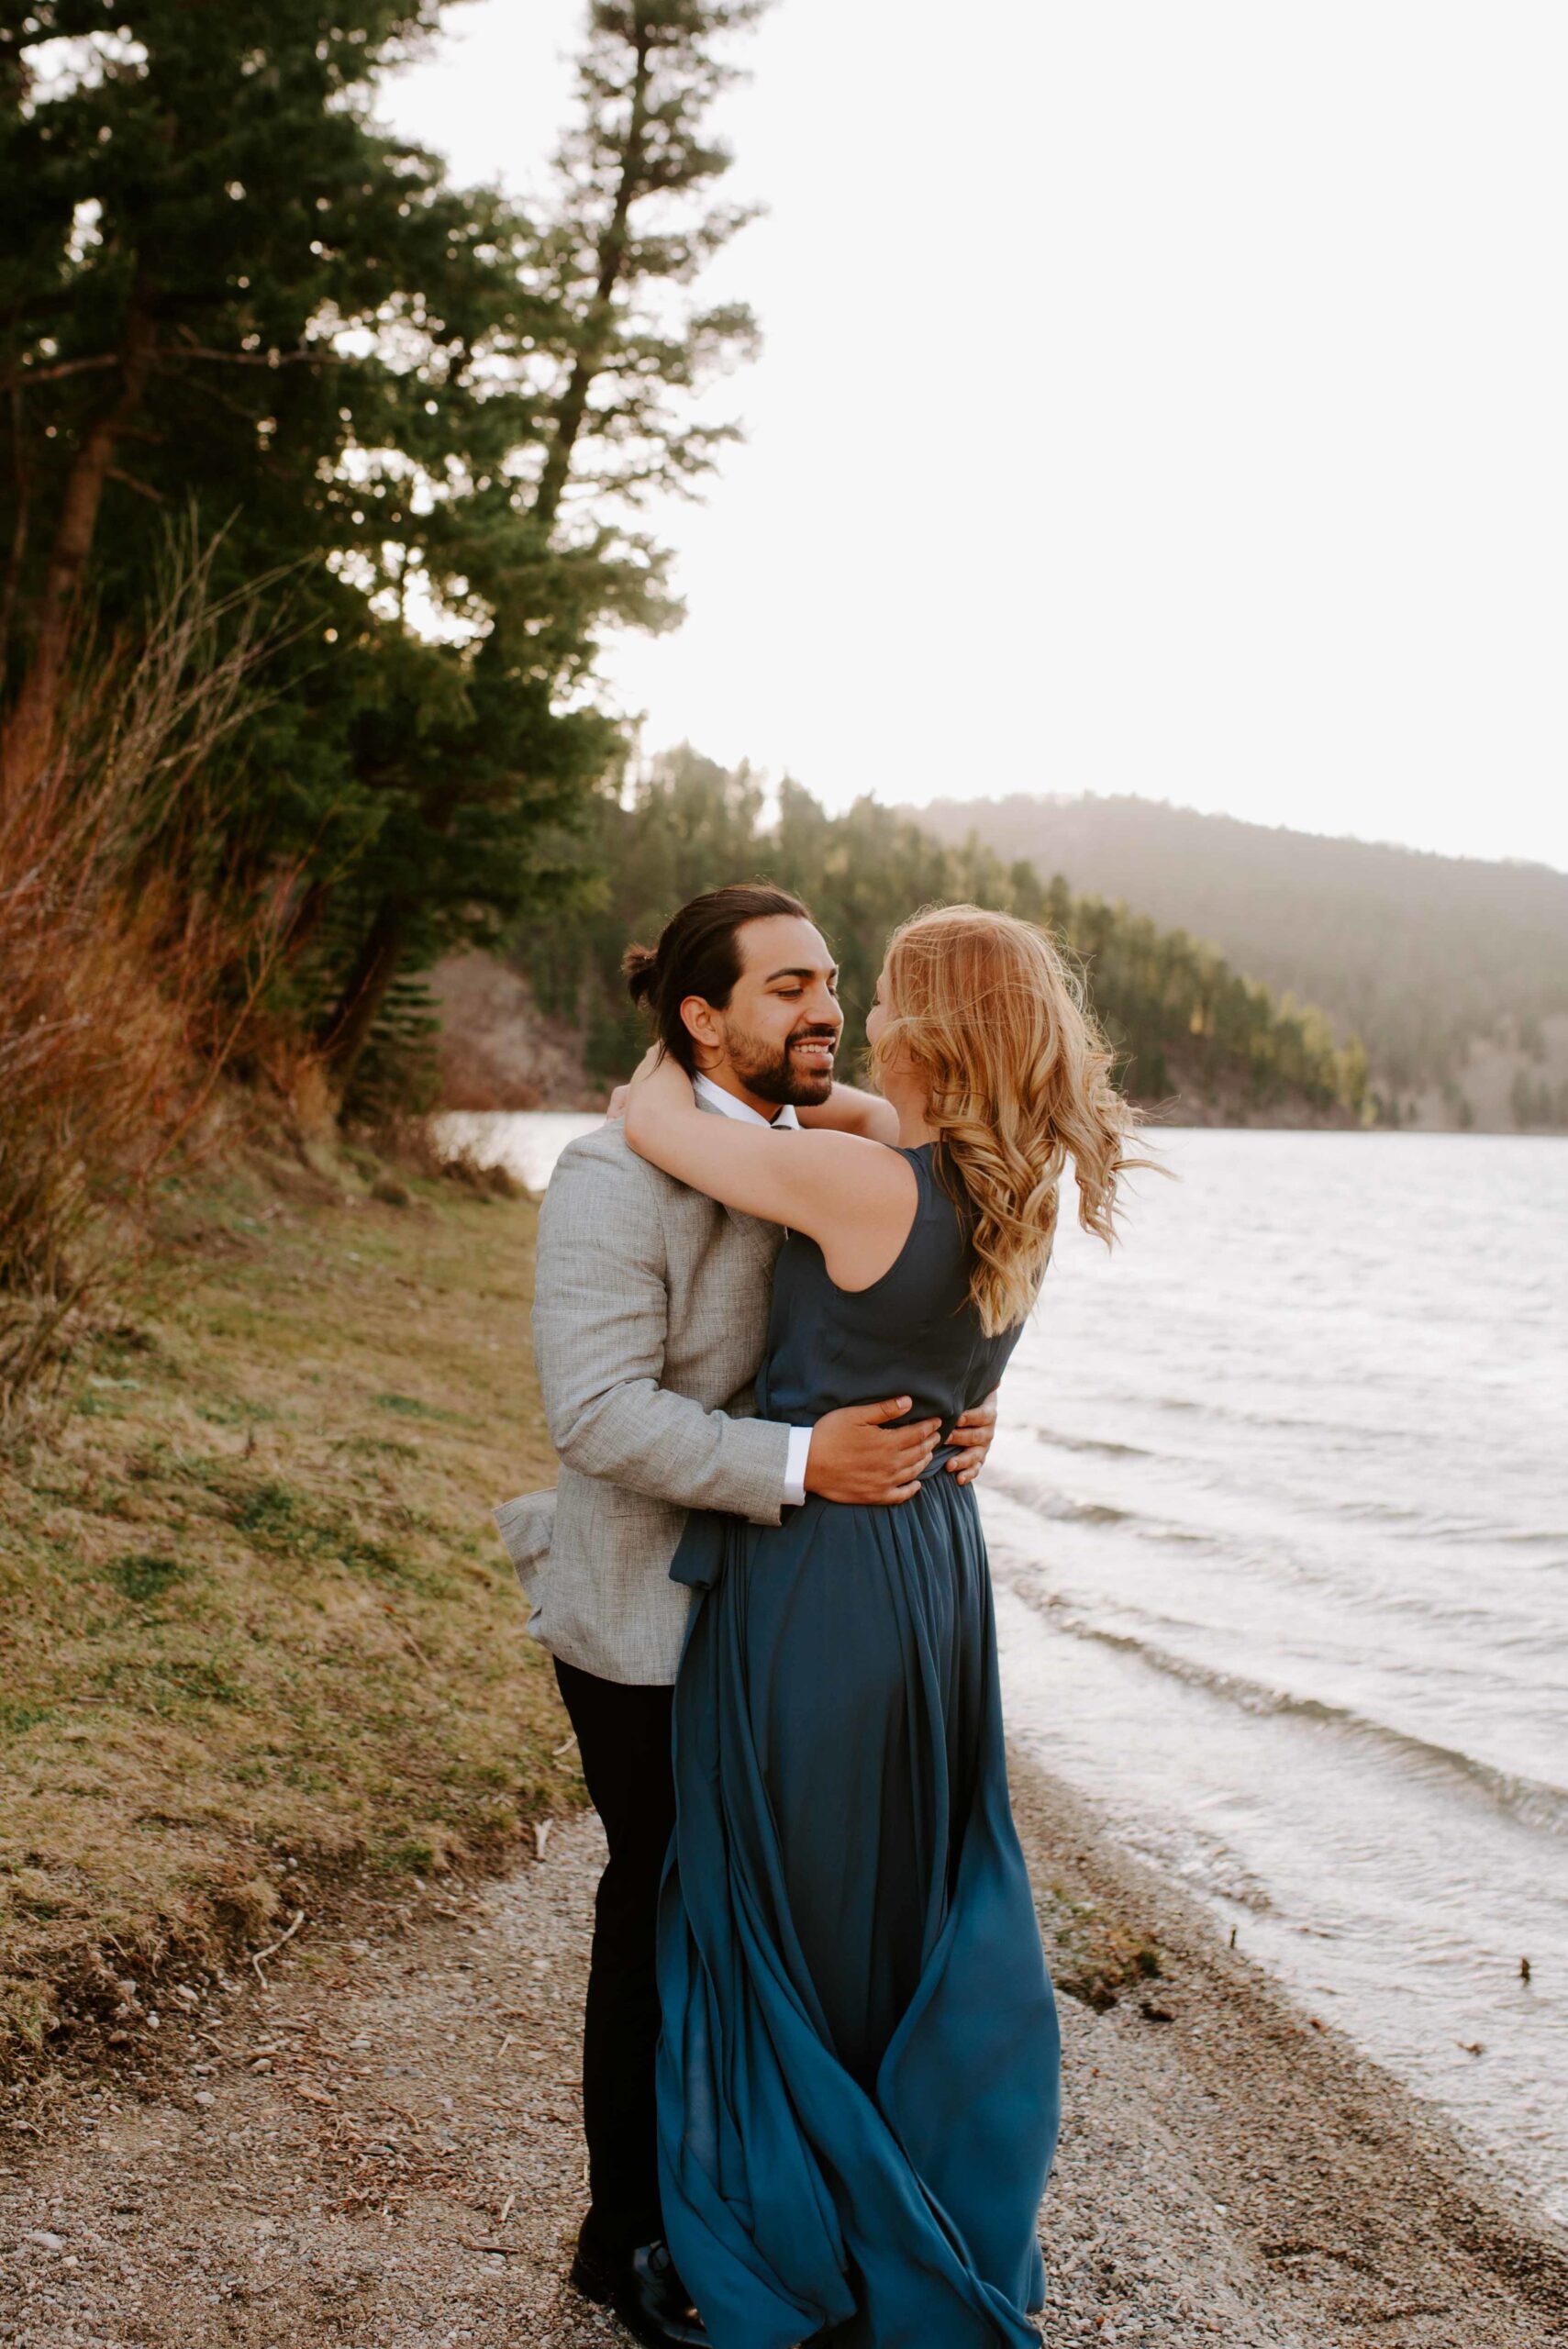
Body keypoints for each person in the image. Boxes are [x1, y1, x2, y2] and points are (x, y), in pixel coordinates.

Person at [622, 901, 1143, 2349]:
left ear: (925, 1020)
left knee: (791, 1899)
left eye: (879, 992)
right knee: (902, 1890)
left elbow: (667, 1129)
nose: (854, 1014)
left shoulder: (867, 1189)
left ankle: (805, 2239)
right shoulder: (1008, 1184)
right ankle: (899, 2190)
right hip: (932, 1556)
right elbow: (849, 1132)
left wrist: (676, 1042)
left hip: (824, 1567)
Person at [495, 885, 999, 2349]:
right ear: (701, 1015)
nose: (823, 1008)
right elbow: (592, 1412)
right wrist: (801, 1462)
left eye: (832, 980)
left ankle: (763, 2200)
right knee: (658, 1908)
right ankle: (626, 2236)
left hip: (789, 1613)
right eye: (785, 988)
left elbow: (900, 1308)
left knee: (768, 1925)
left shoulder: (831, 1144)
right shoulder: (609, 1179)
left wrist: (956, 1422)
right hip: (647, 1608)